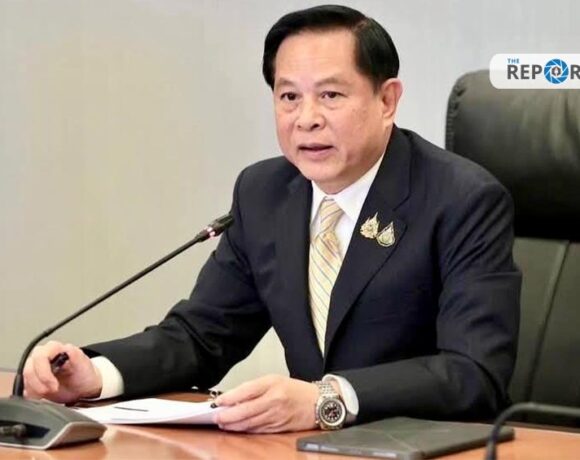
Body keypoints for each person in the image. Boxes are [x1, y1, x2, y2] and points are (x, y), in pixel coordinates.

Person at [23, 5, 521, 433]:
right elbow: (202, 336)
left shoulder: (462, 200)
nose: (306, 118)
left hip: (427, 447)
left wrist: (329, 398)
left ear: (387, 100)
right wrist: (96, 374)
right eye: (289, 97)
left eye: (330, 95)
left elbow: (474, 373)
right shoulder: (264, 193)